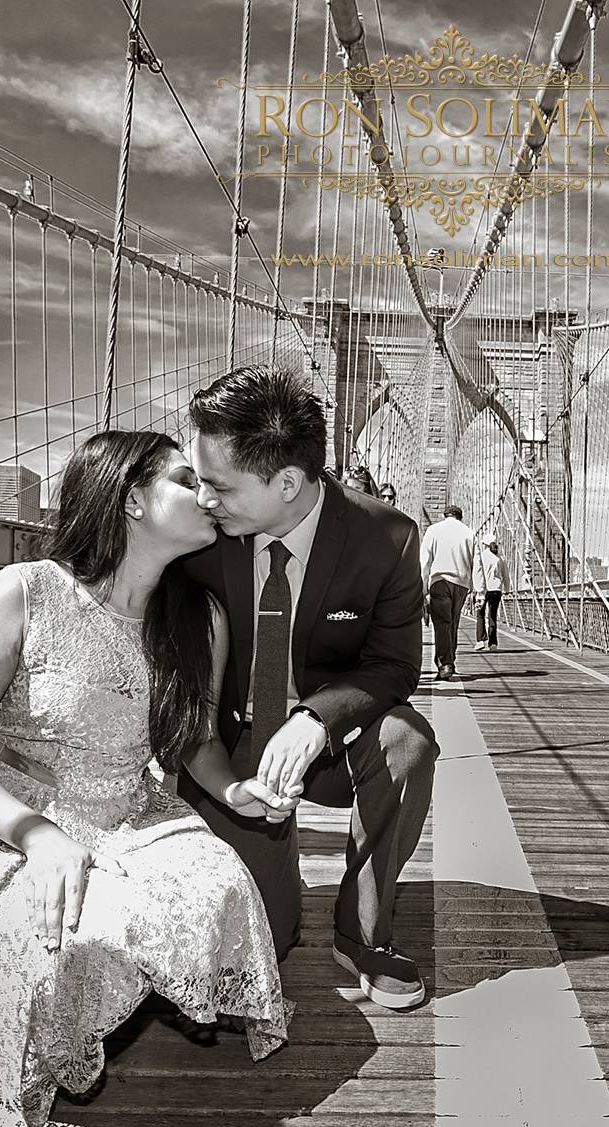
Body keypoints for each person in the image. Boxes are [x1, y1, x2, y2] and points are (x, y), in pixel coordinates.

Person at [0, 431, 293, 1127]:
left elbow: (194, 740)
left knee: (219, 886)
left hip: (132, 813)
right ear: (132, 498)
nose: (209, 495)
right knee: (76, 938)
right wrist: (37, 836)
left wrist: (232, 792)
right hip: (13, 818)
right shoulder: (23, 593)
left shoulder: (200, 619)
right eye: (184, 479)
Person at [180, 366, 438, 1011]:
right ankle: (277, 880)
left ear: (288, 482)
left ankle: (362, 930)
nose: (202, 498)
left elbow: (395, 665)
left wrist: (316, 718)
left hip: (330, 745)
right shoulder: (196, 535)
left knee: (409, 741)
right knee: (259, 941)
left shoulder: (388, 538)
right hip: (227, 744)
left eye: (217, 485)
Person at [418, 503, 479, 680]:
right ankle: (450, 660)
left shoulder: (433, 530)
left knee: (442, 623)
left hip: (439, 581)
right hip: (461, 584)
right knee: (453, 622)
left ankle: (446, 664)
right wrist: (478, 591)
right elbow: (477, 565)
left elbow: (425, 562)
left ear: (445, 516)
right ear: (460, 517)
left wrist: (422, 588)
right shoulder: (469, 533)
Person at [473, 536, 506, 652]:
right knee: (492, 616)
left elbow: (476, 573)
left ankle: (480, 640)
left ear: (485, 545)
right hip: (496, 590)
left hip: (483, 589)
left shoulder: (480, 557)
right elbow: (505, 575)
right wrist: (506, 588)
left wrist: (474, 588)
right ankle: (493, 644)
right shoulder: (499, 558)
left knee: (480, 614)